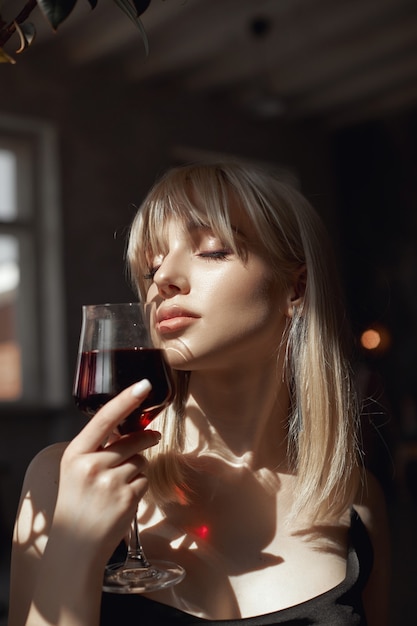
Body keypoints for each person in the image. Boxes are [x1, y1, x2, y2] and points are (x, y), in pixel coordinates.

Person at [9, 160, 390, 626]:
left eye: (211, 250)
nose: (163, 279)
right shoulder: (60, 480)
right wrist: (72, 551)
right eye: (151, 266)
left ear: (297, 287)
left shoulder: (355, 500)